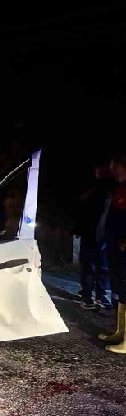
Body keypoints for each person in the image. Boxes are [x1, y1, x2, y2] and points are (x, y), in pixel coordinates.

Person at [74, 161, 114, 310]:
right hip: (89, 233)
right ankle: (86, 296)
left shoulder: (111, 187)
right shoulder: (89, 187)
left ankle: (101, 296)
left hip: (105, 234)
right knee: (88, 266)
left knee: (103, 267)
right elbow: (79, 206)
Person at [98, 151, 126, 352]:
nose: (111, 169)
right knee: (121, 290)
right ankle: (121, 332)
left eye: (113, 165)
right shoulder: (119, 187)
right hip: (117, 246)